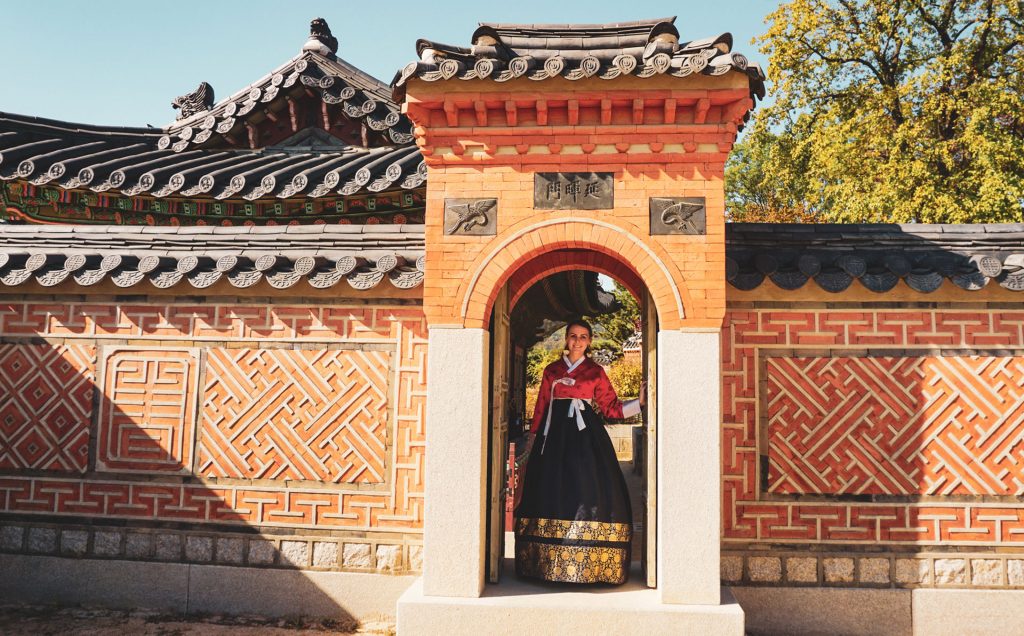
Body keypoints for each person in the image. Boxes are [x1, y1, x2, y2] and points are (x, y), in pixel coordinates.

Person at [514, 319, 645, 584]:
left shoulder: (596, 372)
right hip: (555, 440)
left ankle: (590, 563)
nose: (577, 341)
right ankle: (548, 562)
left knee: (588, 489)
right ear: (566, 339)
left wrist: (639, 403)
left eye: (583, 337)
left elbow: (611, 408)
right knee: (553, 488)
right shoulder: (551, 371)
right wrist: (534, 440)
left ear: (590, 342)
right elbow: (541, 407)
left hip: (587, 439)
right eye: (573, 336)